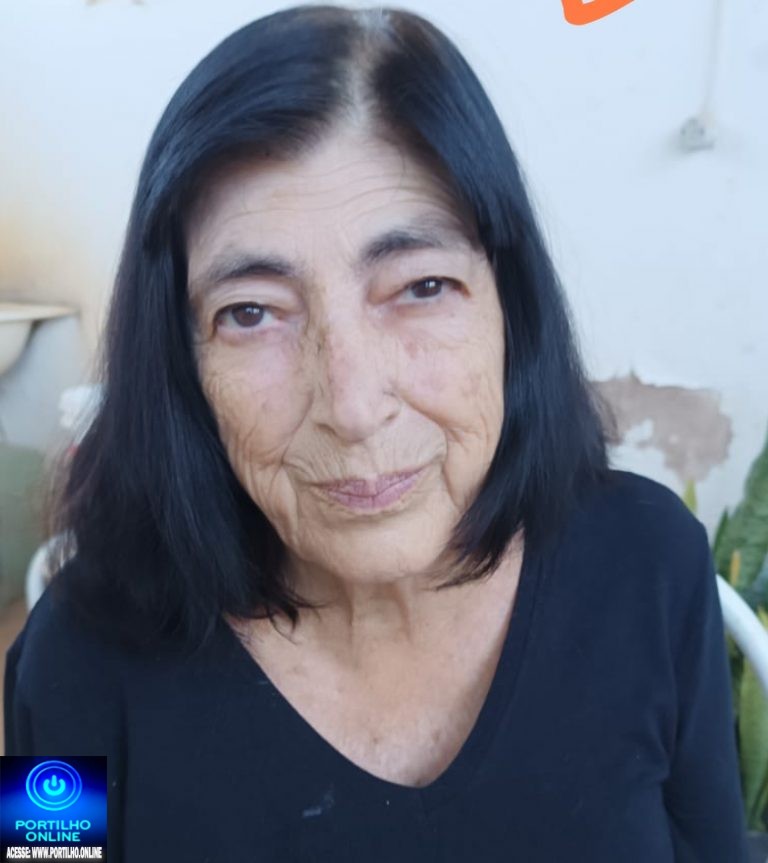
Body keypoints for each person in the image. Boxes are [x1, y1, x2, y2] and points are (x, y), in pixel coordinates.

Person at [3, 5, 749, 861]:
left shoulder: (653, 566)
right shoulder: (71, 661)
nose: (353, 406)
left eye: (421, 287)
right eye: (251, 312)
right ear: (180, 359)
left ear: (510, 305)